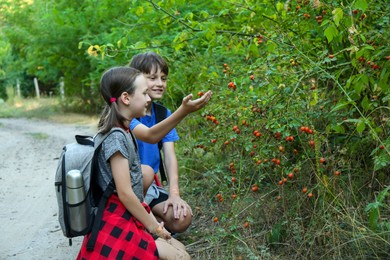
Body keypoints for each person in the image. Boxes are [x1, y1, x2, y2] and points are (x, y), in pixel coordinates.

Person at [77, 66, 211, 259]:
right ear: (126, 98)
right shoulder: (116, 137)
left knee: (181, 250)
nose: (149, 99)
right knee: (180, 257)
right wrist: (154, 228)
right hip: (117, 220)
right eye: (144, 93)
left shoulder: (124, 129)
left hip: (128, 213)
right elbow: (124, 193)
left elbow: (152, 137)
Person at [129, 52, 196, 234]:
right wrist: (183, 111)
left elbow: (169, 156)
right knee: (146, 171)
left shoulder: (161, 114)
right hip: (126, 188)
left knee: (182, 218)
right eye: (152, 78)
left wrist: (174, 193)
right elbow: (150, 135)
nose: (160, 83)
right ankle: (140, 223)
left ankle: (150, 222)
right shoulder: (127, 112)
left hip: (148, 188)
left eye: (163, 78)